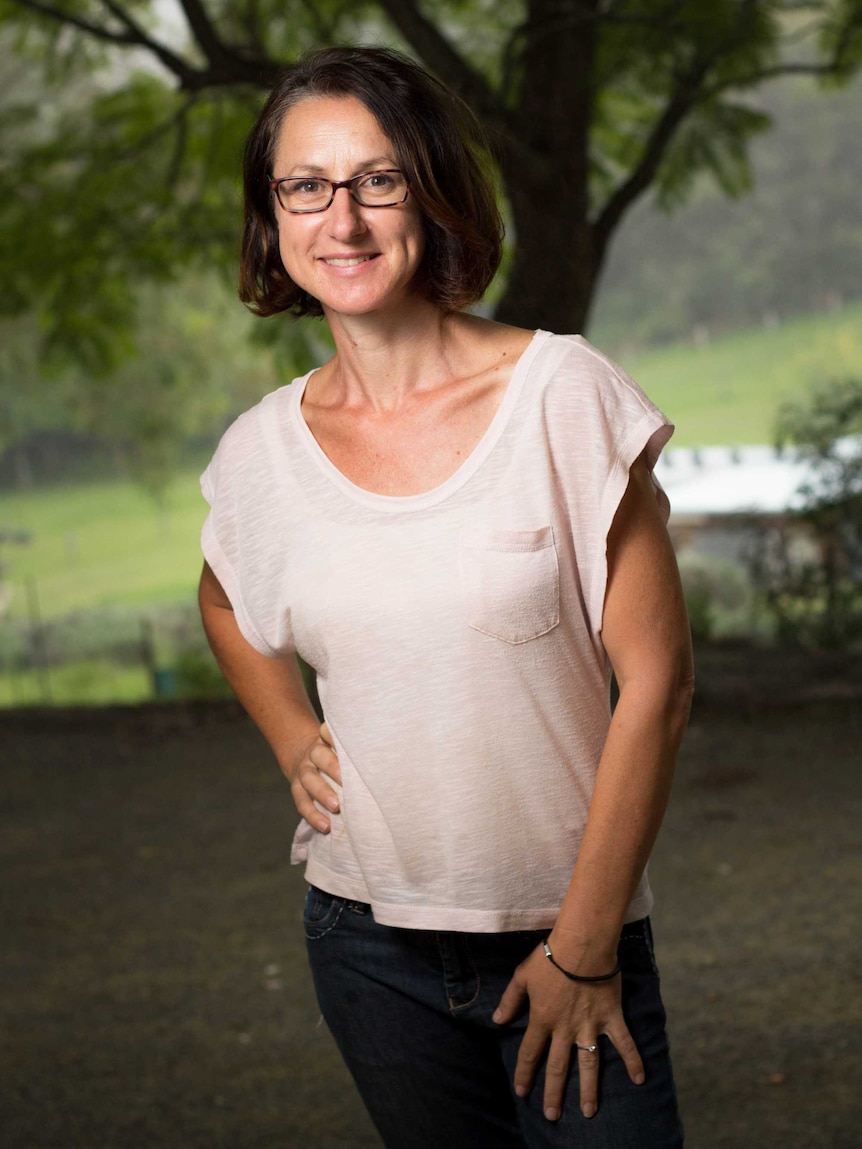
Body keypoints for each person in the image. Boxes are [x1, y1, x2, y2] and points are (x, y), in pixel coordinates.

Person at [198, 45, 693, 1149]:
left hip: (570, 932)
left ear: (432, 191)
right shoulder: (259, 457)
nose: (345, 220)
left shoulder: (561, 394)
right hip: (364, 948)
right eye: (304, 187)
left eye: (378, 180)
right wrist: (290, 735)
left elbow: (656, 685)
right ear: (271, 217)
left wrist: (583, 947)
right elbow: (225, 602)